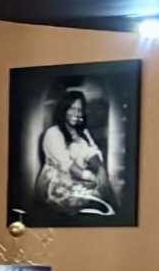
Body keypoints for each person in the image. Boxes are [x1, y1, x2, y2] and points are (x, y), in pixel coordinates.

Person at [28, 86, 114, 220]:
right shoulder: (53, 133)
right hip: (57, 184)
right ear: (64, 110)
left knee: (101, 190)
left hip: (79, 179)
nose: (77, 113)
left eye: (80, 110)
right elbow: (67, 165)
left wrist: (97, 171)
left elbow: (93, 154)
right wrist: (90, 177)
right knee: (93, 202)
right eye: (72, 108)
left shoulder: (83, 133)